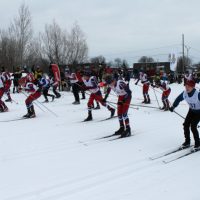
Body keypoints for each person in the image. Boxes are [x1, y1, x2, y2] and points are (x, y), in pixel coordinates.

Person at [169, 80, 200, 151]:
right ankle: (187, 142)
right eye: (186, 86)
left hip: (199, 112)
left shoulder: (198, 94)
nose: (187, 87)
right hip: (191, 111)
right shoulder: (185, 93)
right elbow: (178, 99)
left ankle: (198, 144)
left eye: (189, 86)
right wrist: (173, 106)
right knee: (186, 125)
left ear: (193, 87)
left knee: (193, 126)